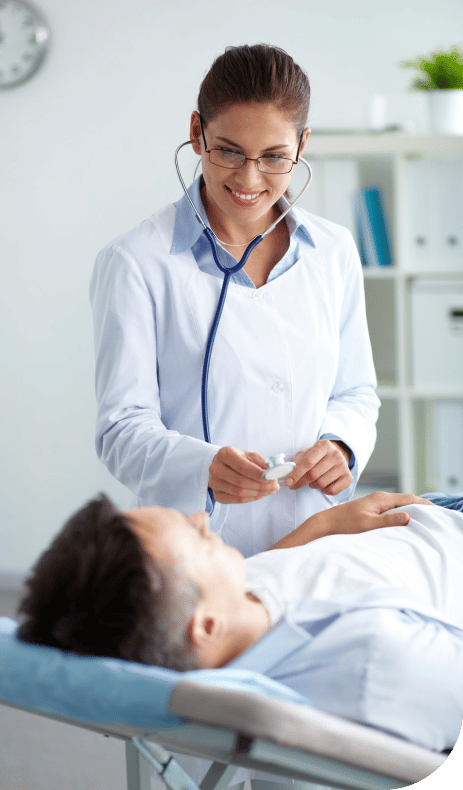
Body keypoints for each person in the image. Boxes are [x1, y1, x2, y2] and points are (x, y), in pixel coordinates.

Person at [89, 43, 380, 557]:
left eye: (273, 157)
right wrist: (200, 467)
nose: (248, 179)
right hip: (191, 555)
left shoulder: (332, 251)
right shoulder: (136, 261)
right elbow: (121, 428)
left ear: (302, 144)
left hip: (314, 544)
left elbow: (356, 391)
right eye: (228, 151)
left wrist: (342, 446)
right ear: (197, 132)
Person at [17, 491, 463, 751]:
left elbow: (272, 575)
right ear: (206, 627)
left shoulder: (228, 616)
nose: (202, 517)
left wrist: (324, 524)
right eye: (197, 537)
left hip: (417, 511)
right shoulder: (374, 664)